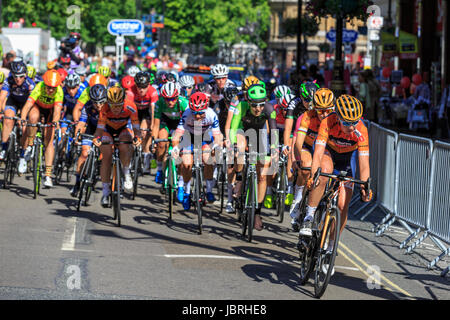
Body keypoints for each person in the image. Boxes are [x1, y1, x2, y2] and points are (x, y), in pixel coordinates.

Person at [298, 95, 372, 275]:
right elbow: (318, 153)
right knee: (324, 171)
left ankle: (331, 247)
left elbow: (363, 163)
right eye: (347, 123)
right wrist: (314, 175)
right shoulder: (328, 122)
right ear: (338, 117)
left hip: (346, 162)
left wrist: (366, 187)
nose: (352, 126)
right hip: (328, 155)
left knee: (342, 204)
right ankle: (309, 217)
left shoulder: (361, 129)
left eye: (354, 121)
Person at [226, 84, 279, 231]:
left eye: (261, 105)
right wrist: (233, 145)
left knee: (262, 174)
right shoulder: (241, 107)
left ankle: (257, 213)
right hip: (242, 129)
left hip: (259, 132)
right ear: (248, 102)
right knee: (241, 149)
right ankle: (239, 180)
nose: (258, 109)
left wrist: (274, 150)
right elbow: (233, 127)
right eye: (254, 105)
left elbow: (273, 131)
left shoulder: (269, 109)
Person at [290, 88, 335, 231]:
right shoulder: (307, 116)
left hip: (324, 149)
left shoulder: (333, 119)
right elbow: (298, 141)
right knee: (306, 166)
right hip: (307, 146)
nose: (324, 114)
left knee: (325, 173)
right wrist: (297, 158)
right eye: (320, 111)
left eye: (328, 110)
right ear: (314, 108)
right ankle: (298, 198)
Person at [171, 92, 222, 210]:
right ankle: (187, 192)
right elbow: (177, 135)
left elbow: (217, 136)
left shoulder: (211, 114)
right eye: (195, 113)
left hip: (205, 137)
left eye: (200, 113)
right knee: (187, 163)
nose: (197, 116)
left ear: (206, 108)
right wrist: (175, 147)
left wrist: (216, 146)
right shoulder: (187, 114)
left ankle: (209, 190)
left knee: (208, 159)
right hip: (189, 136)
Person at [92, 86, 141, 207]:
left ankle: (126, 171)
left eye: (119, 105)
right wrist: (96, 138)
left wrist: (137, 137)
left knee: (125, 145)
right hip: (107, 130)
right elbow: (99, 129)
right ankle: (105, 191)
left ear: (123, 101)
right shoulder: (104, 108)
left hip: (123, 129)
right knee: (106, 156)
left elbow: (136, 127)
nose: (115, 108)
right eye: (113, 105)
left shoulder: (131, 106)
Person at [20, 70, 64, 187]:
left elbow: (57, 112)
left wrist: (55, 123)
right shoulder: (39, 87)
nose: (50, 90)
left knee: (49, 141)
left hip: (50, 111)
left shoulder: (59, 91)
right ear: (45, 84)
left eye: (53, 88)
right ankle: (29, 146)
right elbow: (28, 105)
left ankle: (48, 176)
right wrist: (23, 119)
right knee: (33, 117)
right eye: (49, 87)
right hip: (37, 107)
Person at [70, 84, 106, 197]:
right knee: (84, 152)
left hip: (105, 130)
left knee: (104, 155)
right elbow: (81, 123)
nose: (98, 105)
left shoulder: (110, 107)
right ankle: (77, 182)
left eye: (101, 102)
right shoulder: (88, 106)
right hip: (91, 129)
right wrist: (77, 136)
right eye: (96, 102)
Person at [151, 82, 189, 185]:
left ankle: (181, 183)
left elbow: (188, 124)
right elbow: (156, 125)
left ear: (177, 96)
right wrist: (154, 140)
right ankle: (159, 169)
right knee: (161, 143)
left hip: (180, 124)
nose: (170, 102)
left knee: (182, 153)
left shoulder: (184, 103)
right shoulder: (159, 103)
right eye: (167, 99)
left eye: (173, 99)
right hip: (166, 123)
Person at [0, 62, 36, 161]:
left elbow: (31, 103)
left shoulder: (30, 84)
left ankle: (22, 155)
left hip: (26, 104)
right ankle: (4, 147)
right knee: (7, 119)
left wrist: (23, 116)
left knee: (24, 127)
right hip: (13, 101)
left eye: (21, 76)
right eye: (15, 76)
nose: (18, 79)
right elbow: (2, 97)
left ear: (25, 75)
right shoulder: (9, 80)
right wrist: (1, 111)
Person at [126, 71, 159, 173]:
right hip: (134, 111)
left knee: (145, 132)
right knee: (131, 134)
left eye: (144, 87)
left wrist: (152, 125)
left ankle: (146, 158)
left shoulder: (153, 92)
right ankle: (130, 158)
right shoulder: (130, 91)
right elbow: (128, 109)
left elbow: (154, 111)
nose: (141, 89)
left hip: (146, 112)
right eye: (139, 86)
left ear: (148, 85)